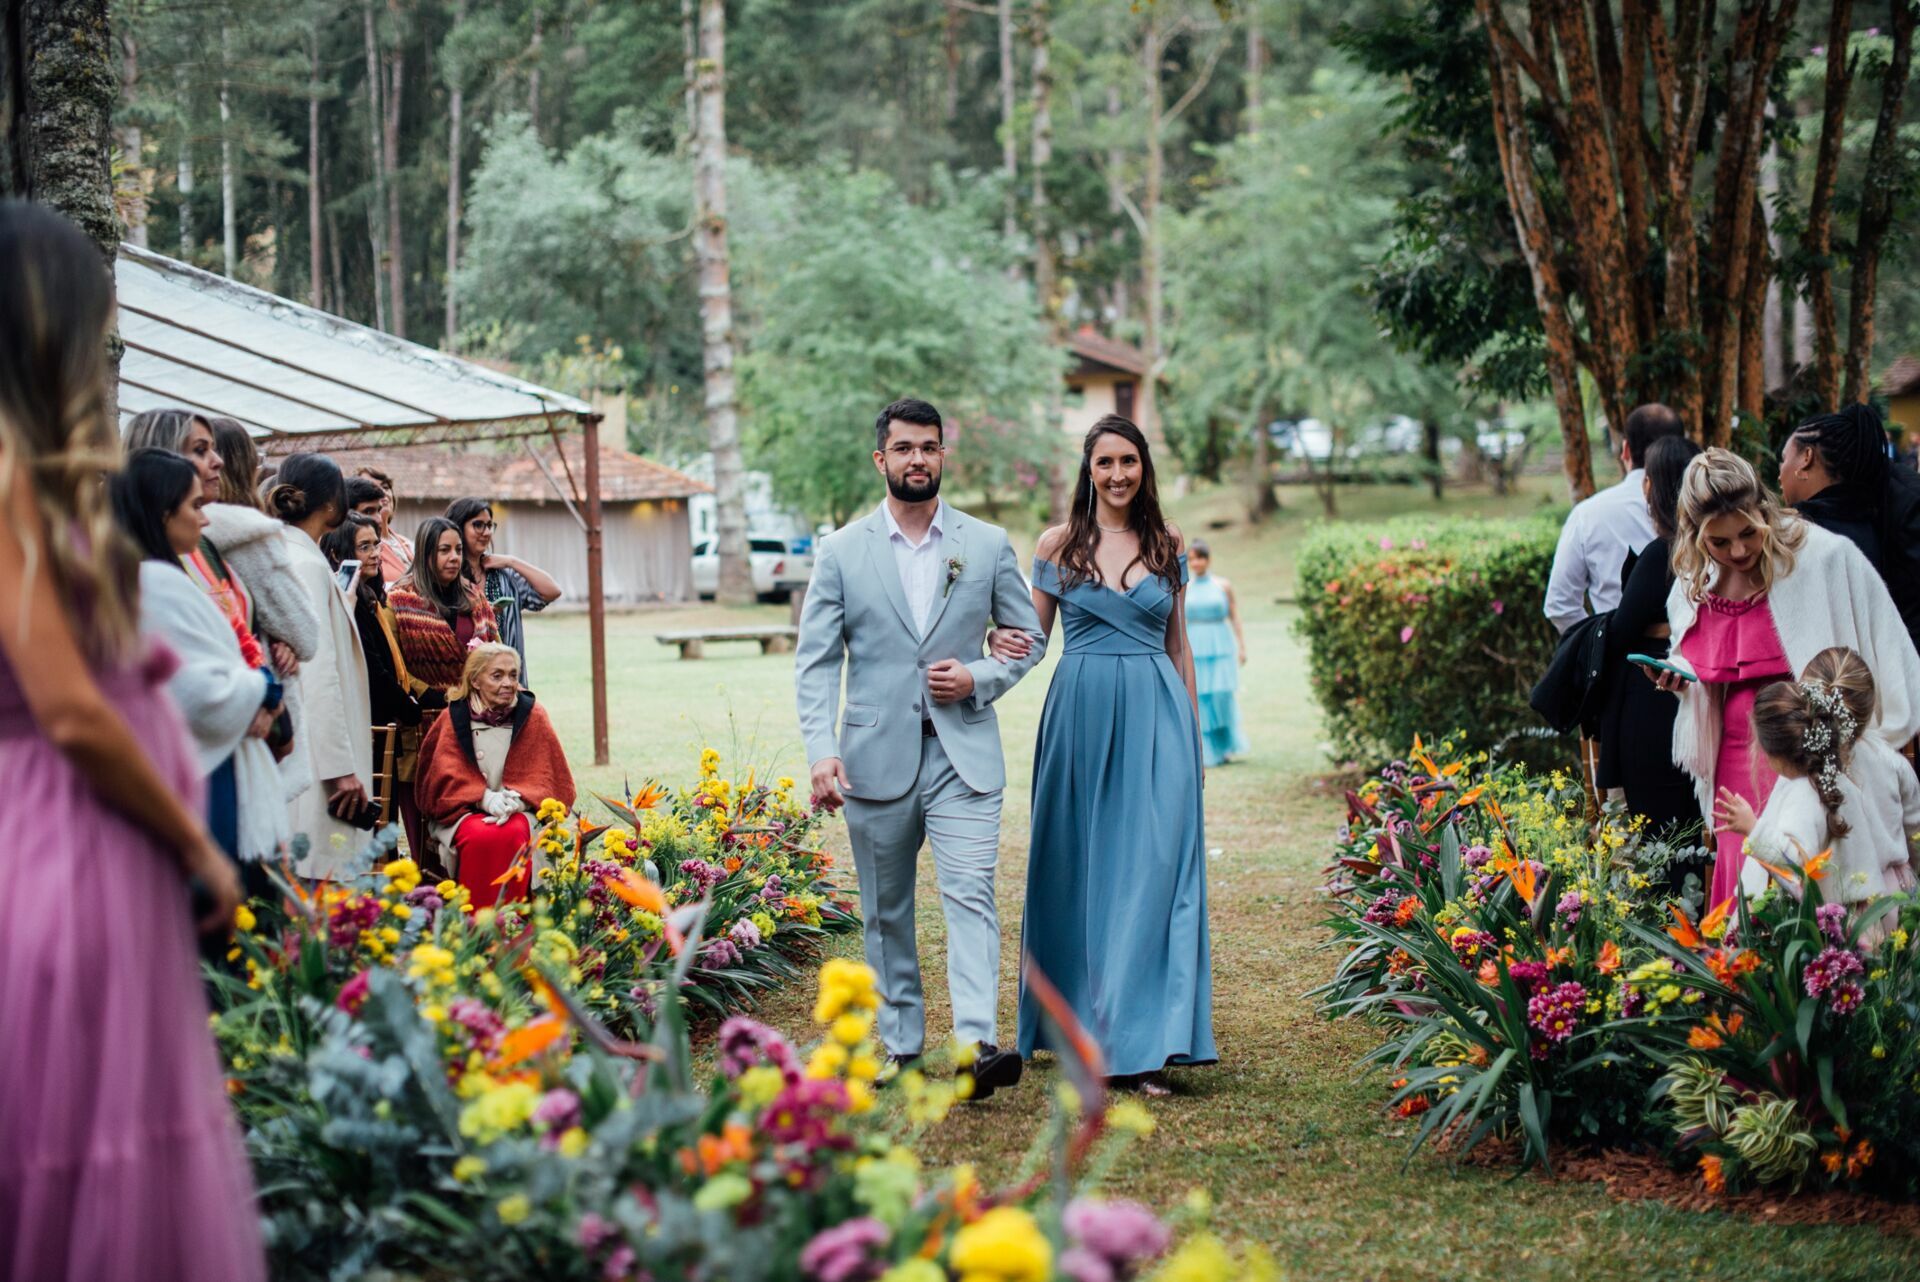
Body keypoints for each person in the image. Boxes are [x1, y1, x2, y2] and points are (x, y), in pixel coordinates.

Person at [0, 198, 264, 1281]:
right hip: (77, 843)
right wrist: (195, 843)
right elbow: (68, 710)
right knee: (93, 1148)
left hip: (93, 847)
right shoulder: (13, 487)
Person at [794, 397, 1046, 1101]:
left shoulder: (987, 544)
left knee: (970, 893)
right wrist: (821, 750)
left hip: (963, 753)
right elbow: (816, 662)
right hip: (874, 760)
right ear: (882, 459)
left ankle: (974, 1046)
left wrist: (980, 675)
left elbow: (1028, 640)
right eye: (903, 448)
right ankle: (902, 1047)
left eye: (929, 447)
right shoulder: (841, 552)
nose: (917, 459)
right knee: (886, 909)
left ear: (943, 456)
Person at [1017, 415, 1216, 1096]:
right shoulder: (1058, 544)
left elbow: (1178, 646)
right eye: (1105, 463)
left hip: (1157, 718)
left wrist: (1191, 737)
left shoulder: (1168, 543)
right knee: (1080, 872)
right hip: (1079, 715)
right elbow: (1026, 640)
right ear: (1088, 468)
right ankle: (1082, 1031)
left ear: (1144, 466)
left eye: (1128, 461)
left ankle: (1141, 1047)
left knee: (1153, 872)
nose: (1118, 475)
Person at [1649, 449, 1920, 908]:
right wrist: (1681, 679)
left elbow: (1890, 651)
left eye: (1748, 533)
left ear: (1763, 509)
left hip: (1815, 751)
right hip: (1734, 757)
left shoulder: (1824, 557)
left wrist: (1872, 748)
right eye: (1719, 542)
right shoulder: (1695, 580)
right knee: (1751, 869)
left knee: (1815, 871)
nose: (1737, 551)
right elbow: (1696, 657)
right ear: (1696, 538)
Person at [113, 448, 290, 882]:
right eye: (195, 506)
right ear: (160, 513)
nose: (205, 519)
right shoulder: (152, 584)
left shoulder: (160, 579)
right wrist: (263, 689)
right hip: (202, 783)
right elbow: (193, 692)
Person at [1713, 648, 1918, 921]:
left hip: (1838, 907)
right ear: (1868, 710)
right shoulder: (1894, 764)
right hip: (1893, 900)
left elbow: (1792, 857)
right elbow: (1915, 833)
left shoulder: (1805, 776)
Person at [268, 453, 375, 878]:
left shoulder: (296, 555)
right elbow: (319, 674)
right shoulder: (308, 564)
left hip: (307, 753)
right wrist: (340, 769)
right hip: (320, 767)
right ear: (332, 504)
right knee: (323, 879)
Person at [1596, 435, 1705, 857]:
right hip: (1694, 704)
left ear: (1650, 488)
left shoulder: (1664, 553)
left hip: (1657, 703)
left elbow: (1622, 631)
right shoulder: (1710, 553)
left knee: (1665, 842)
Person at [415, 643, 574, 904]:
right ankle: (478, 925)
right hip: (463, 812)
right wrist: (483, 798)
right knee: (480, 836)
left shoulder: (533, 715)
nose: (508, 683)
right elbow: (439, 780)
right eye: (497, 675)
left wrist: (519, 799)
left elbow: (551, 777)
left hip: (521, 812)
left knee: (512, 833)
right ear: (475, 680)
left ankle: (514, 923)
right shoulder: (453, 718)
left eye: (513, 675)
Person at [389, 517, 500, 859]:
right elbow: (398, 666)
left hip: (476, 724)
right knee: (426, 826)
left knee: (477, 817)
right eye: (443, 550)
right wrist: (446, 695)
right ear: (425, 554)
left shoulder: (473, 597)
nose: (453, 557)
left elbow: (497, 649)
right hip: (424, 726)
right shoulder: (399, 600)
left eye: (457, 550)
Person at [320, 513, 434, 825]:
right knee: (373, 825)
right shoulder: (349, 603)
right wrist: (409, 707)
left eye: (376, 544)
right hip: (367, 725)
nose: (374, 553)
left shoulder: (369, 598)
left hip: (382, 723)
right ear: (337, 554)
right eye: (363, 546)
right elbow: (373, 671)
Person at [1780, 402, 1920, 653]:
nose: (1780, 473)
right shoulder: (1853, 503)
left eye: (1784, 459)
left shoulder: (1903, 501)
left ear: (1806, 458)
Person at [1544, 403, 1686, 633]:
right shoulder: (1705, 507)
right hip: (1695, 660)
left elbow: (1559, 605)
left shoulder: (1588, 513)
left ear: (1626, 450)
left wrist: (1600, 646)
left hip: (1620, 657)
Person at [446, 496, 561, 684]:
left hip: (509, 684)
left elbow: (552, 591)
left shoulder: (503, 576)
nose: (486, 532)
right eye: (478, 525)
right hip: (464, 683)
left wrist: (511, 561)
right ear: (459, 527)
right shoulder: (449, 577)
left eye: (489, 525)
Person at [1182, 539, 1248, 767]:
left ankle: (1226, 745)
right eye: (1191, 559)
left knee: (1221, 694)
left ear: (1208, 559)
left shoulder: (1223, 585)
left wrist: (1242, 646)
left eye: (1199, 557)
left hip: (1220, 644)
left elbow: (1235, 615)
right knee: (1200, 696)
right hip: (1195, 644)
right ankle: (1206, 750)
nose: (1196, 563)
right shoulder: (1185, 587)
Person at [356, 465, 414, 585]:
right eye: (371, 488)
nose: (382, 493)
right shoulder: (358, 547)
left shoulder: (407, 544)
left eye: (385, 487)